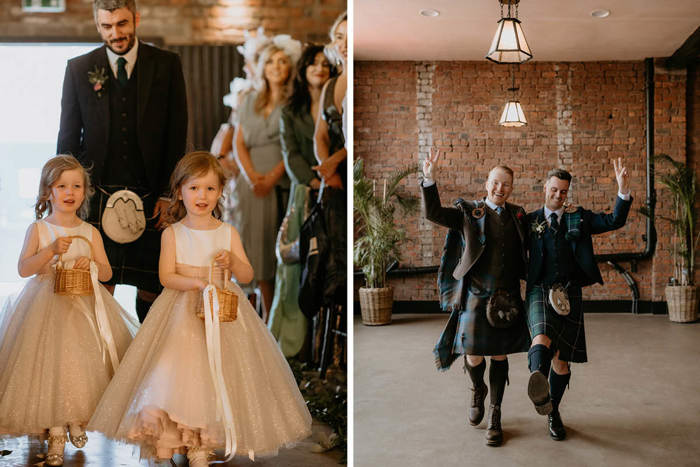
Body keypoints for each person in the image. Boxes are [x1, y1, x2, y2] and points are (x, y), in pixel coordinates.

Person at [87, 152, 312, 466]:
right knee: (174, 372)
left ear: (220, 192)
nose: (201, 196)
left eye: (209, 189)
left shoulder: (227, 233)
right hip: (180, 312)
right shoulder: (173, 234)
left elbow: (247, 275)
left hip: (221, 314)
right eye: (194, 188)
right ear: (180, 191)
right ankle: (173, 437)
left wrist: (232, 263)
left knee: (216, 373)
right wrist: (197, 285)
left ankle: (201, 444)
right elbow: (167, 277)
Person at [0, 155, 137, 466]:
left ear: (85, 192)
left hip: (82, 308)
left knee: (79, 365)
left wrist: (91, 263)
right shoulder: (39, 229)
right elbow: (24, 269)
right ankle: (57, 429)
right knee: (52, 365)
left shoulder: (90, 232)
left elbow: (106, 274)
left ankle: (77, 419)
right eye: (62, 186)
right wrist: (49, 252)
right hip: (44, 308)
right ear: (48, 192)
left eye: (76, 186)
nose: (69, 191)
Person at [57, 0, 188, 322]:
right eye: (107, 26)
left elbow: (177, 132)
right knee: (101, 282)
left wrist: (168, 194)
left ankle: (147, 357)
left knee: (153, 285)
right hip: (97, 193)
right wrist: (66, 196)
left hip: (151, 193)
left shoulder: (167, 64)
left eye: (122, 24)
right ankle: (104, 361)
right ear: (98, 25)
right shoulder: (79, 68)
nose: (115, 33)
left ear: (136, 19)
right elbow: (68, 139)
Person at [422, 148, 530, 447]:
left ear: (511, 188)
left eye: (506, 184)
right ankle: (477, 389)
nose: (500, 189)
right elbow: (433, 213)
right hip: (474, 295)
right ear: (487, 183)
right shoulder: (470, 212)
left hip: (506, 298)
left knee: (499, 354)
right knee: (472, 354)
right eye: (495, 182)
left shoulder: (519, 215)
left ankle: (495, 415)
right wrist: (429, 179)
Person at [525, 159, 631, 441]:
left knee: (561, 362)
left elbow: (614, 220)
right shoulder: (529, 220)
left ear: (567, 193)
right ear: (545, 188)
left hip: (569, 293)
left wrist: (622, 190)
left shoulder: (579, 217)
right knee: (540, 337)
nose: (558, 195)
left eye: (563, 192)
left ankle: (552, 410)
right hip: (539, 288)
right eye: (554, 190)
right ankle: (537, 379)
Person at [268, 44, 334, 356]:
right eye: (313, 64)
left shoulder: (338, 108)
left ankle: (323, 344)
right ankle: (292, 343)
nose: (319, 69)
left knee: (326, 266)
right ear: (304, 70)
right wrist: (312, 180)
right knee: (294, 266)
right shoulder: (288, 112)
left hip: (335, 189)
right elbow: (290, 154)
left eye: (325, 64)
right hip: (304, 190)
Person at [231, 37, 301, 321]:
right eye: (270, 61)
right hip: (250, 184)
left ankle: (273, 323)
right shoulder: (248, 99)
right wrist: (250, 177)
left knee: (272, 250)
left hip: (279, 182)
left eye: (282, 61)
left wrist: (271, 178)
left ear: (289, 68)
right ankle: (250, 319)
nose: (276, 66)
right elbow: (237, 142)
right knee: (249, 248)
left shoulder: (294, 101)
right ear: (262, 66)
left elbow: (293, 147)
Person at [314, 11, 347, 189]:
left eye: (351, 38)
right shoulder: (330, 85)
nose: (345, 45)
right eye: (340, 37)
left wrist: (335, 160)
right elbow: (320, 135)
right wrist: (327, 168)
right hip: (332, 177)